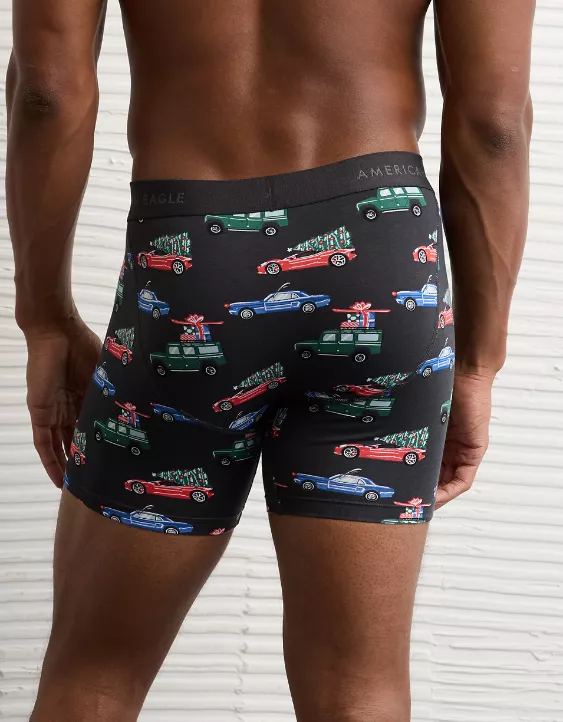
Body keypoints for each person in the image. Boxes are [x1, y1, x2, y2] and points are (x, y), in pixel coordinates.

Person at [6, 1, 535, 720]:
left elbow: (47, 91)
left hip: (193, 251)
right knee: (358, 689)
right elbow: (494, 124)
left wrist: (44, 320)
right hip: (380, 258)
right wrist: (477, 361)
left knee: (95, 676)